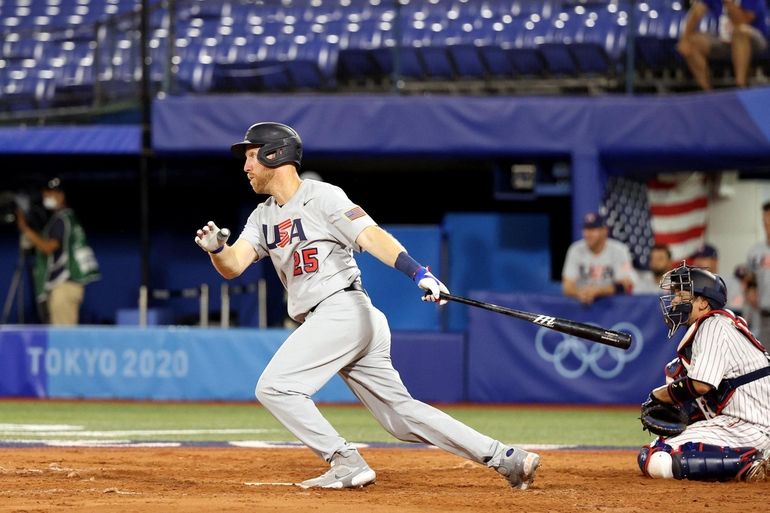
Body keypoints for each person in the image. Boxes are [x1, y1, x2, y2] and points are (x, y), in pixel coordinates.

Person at [194, 122, 540, 490]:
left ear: (273, 153)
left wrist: (418, 272)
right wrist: (217, 249)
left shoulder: (322, 196)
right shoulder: (262, 216)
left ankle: (344, 461)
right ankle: (506, 458)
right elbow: (233, 265)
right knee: (400, 418)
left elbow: (370, 235)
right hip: (343, 319)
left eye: (251, 155)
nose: (246, 166)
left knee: (275, 387)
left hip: (341, 310)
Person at [637, 262, 770, 482]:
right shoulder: (723, 325)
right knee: (676, 371)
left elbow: (701, 385)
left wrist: (659, 394)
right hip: (750, 423)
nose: (675, 299)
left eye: (682, 294)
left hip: (751, 426)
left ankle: (750, 462)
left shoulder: (713, 324)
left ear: (703, 302)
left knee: (658, 458)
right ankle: (755, 458)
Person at [15, 178, 100, 325]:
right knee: (59, 336)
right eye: (45, 194)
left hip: (64, 286)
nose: (46, 197)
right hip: (68, 286)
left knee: (63, 340)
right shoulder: (67, 218)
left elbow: (48, 247)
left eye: (50, 193)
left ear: (61, 195)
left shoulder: (63, 218)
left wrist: (24, 227)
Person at [677, 0, 769, 91]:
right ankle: (708, 93)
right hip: (725, 40)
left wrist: (729, 3)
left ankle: (741, 86)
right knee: (691, 43)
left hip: (754, 40)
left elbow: (742, 21)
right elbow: (696, 13)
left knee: (739, 32)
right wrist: (685, 38)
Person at [561, 211, 636, 305]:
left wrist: (597, 291)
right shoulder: (575, 250)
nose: (588, 234)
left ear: (604, 231)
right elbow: (567, 287)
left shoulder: (619, 250)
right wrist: (581, 293)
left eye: (593, 229)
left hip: (613, 306)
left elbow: (625, 284)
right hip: (583, 303)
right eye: (586, 229)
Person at [691, 243, 742, 310]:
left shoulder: (730, 282)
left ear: (715, 261)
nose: (698, 262)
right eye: (696, 258)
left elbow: (735, 311)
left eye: (703, 258)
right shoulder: (692, 282)